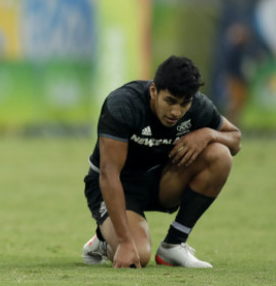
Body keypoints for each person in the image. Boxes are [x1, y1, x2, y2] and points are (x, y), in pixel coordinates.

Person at [81, 55, 241, 268]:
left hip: (159, 181)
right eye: (170, 101)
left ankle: (174, 245)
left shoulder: (198, 107)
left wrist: (209, 135)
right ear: (154, 91)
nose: (177, 111)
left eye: (184, 103)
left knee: (220, 155)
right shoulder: (123, 105)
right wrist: (125, 242)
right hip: (113, 186)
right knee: (138, 255)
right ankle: (103, 240)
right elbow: (109, 174)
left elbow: (235, 139)